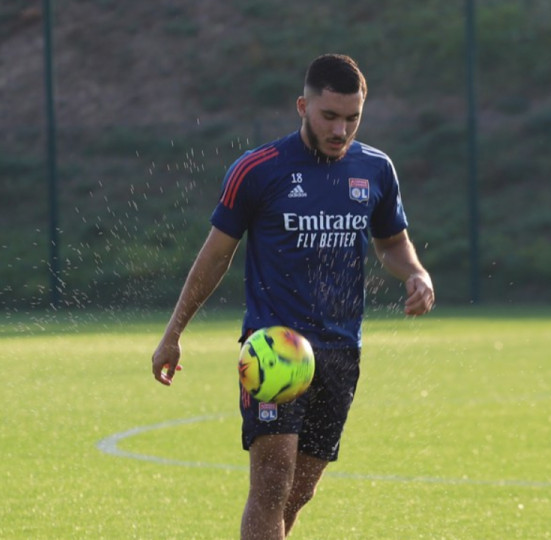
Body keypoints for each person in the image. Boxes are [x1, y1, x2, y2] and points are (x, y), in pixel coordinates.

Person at [151, 53, 435, 540]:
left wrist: (415, 272)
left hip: (342, 350)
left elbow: (390, 242)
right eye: (329, 116)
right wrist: (174, 333)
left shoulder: (376, 170)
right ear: (302, 106)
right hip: (274, 348)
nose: (341, 130)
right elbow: (215, 255)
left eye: (352, 118)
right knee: (271, 486)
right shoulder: (259, 170)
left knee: (299, 493)